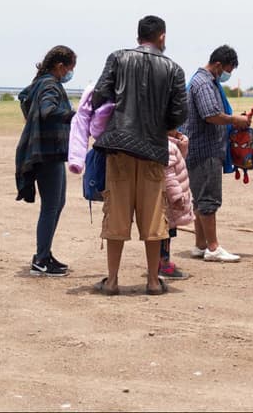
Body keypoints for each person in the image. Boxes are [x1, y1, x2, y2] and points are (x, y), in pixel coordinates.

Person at [89, 15, 187, 296]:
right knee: (155, 217)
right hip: (153, 150)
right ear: (162, 37)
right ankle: (154, 281)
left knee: (117, 214)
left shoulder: (117, 58)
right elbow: (179, 113)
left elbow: (100, 96)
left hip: (119, 147)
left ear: (138, 37)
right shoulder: (173, 68)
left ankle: (112, 280)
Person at [182, 45, 253, 263]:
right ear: (218, 65)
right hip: (205, 150)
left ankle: (200, 244)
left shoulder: (202, 80)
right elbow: (211, 115)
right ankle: (213, 247)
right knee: (208, 199)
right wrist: (236, 120)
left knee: (199, 198)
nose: (227, 75)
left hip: (197, 148)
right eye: (228, 70)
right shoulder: (204, 84)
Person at [15, 46, 77, 277]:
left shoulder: (40, 83)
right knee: (51, 206)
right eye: (70, 68)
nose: (70, 73)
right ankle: (41, 259)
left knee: (56, 204)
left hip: (46, 152)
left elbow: (25, 99)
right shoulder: (50, 85)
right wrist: (73, 115)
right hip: (46, 154)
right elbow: (47, 111)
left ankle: (45, 253)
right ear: (60, 66)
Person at [158, 132, 194, 280]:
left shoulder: (171, 144)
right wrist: (177, 197)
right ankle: (163, 265)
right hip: (169, 202)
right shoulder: (166, 146)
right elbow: (169, 175)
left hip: (169, 200)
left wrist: (182, 145)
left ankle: (160, 263)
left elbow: (179, 161)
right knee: (165, 233)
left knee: (166, 232)